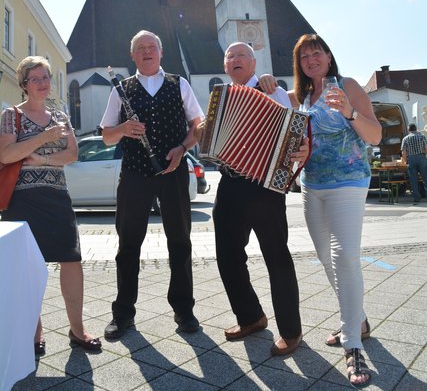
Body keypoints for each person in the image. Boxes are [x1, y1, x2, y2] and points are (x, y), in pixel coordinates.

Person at [288, 34, 381, 387]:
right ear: (300, 64)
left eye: (317, 53)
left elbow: (373, 135)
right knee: (327, 259)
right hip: (313, 185)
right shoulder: (302, 98)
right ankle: (358, 320)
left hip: (348, 182)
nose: (311, 59)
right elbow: (302, 144)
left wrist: (349, 111)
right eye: (304, 56)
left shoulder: (348, 86)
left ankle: (352, 345)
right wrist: (299, 152)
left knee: (345, 257)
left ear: (328, 56)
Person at [100, 30, 203, 339]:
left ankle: (184, 310)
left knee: (180, 242)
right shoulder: (121, 90)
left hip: (173, 170)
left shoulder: (179, 84)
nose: (146, 52)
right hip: (134, 174)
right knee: (128, 244)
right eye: (140, 49)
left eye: (151, 47)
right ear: (133, 56)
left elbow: (197, 126)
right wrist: (122, 128)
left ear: (161, 53)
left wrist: (182, 149)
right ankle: (123, 313)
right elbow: (106, 135)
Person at [0, 56, 101, 356]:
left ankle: (77, 329)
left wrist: (42, 158)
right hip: (22, 200)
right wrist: (43, 138)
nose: (44, 83)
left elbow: (71, 155)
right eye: (36, 79)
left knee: (72, 260)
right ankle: (34, 331)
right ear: (24, 85)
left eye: (46, 77)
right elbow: (6, 155)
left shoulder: (61, 116)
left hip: (57, 196)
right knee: (28, 268)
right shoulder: (11, 115)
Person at [212, 42, 308, 357]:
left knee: (276, 256)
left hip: (265, 186)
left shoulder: (273, 92)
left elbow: (296, 134)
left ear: (253, 63)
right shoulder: (221, 97)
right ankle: (251, 316)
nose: (235, 60)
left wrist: (300, 150)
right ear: (225, 66)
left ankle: (291, 331)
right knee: (227, 255)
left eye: (242, 55)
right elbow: (212, 139)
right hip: (229, 184)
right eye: (230, 56)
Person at [401, 123, 427, 204]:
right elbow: (426, 148)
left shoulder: (405, 138)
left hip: (411, 159)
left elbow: (404, 152)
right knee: (425, 178)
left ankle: (416, 197)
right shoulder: (422, 136)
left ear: (409, 129)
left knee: (413, 179)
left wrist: (405, 161)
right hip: (421, 158)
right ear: (416, 128)